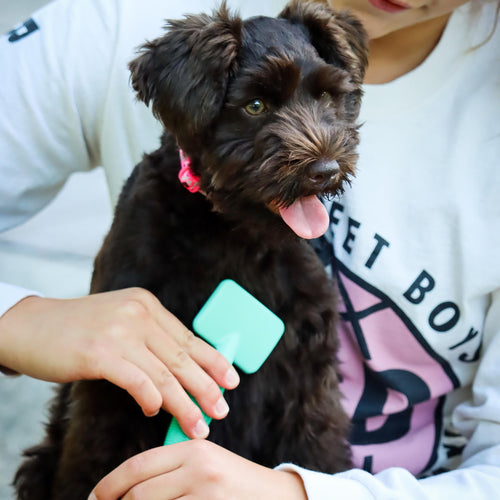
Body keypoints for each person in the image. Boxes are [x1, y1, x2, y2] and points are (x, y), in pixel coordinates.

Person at [1, 0, 499, 498]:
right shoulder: (115, 27)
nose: (320, 155)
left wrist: (298, 493)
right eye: (257, 107)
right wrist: (20, 319)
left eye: (328, 98)